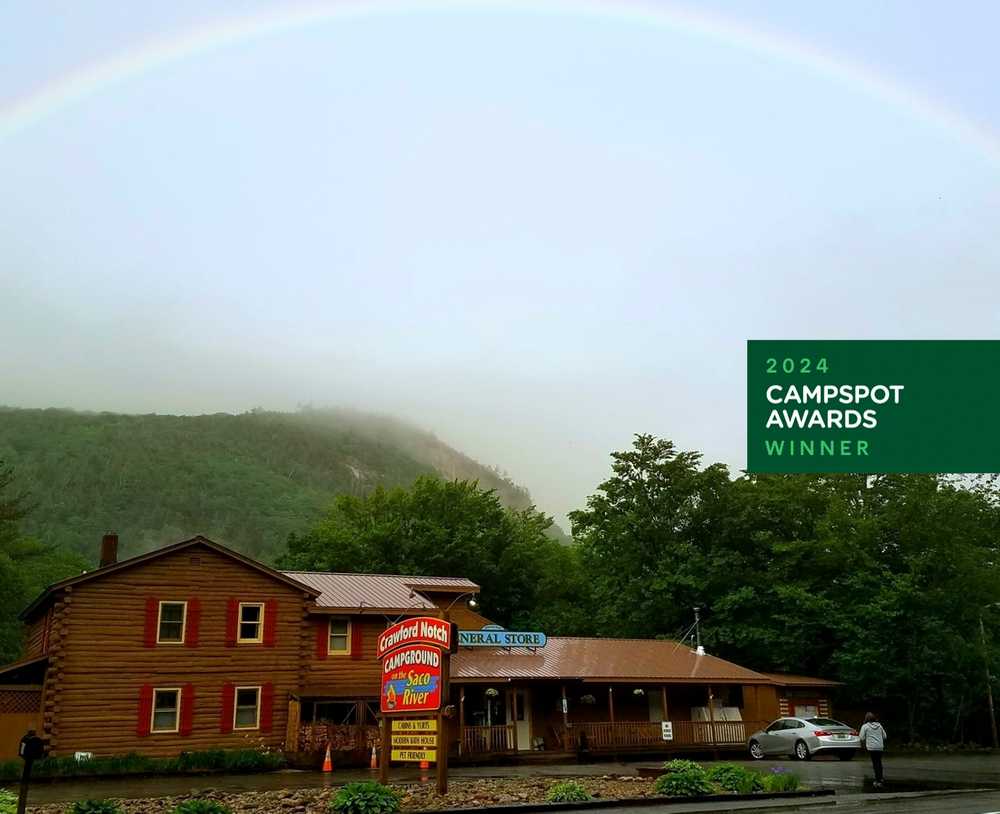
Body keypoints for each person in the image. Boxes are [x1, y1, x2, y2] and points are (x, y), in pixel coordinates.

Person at [858, 712, 887, 787]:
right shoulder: (879, 725)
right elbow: (885, 736)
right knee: (879, 762)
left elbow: (861, 737)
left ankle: (878, 780)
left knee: (875, 763)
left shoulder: (865, 726)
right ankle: (880, 778)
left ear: (866, 719)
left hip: (871, 747)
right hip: (880, 747)